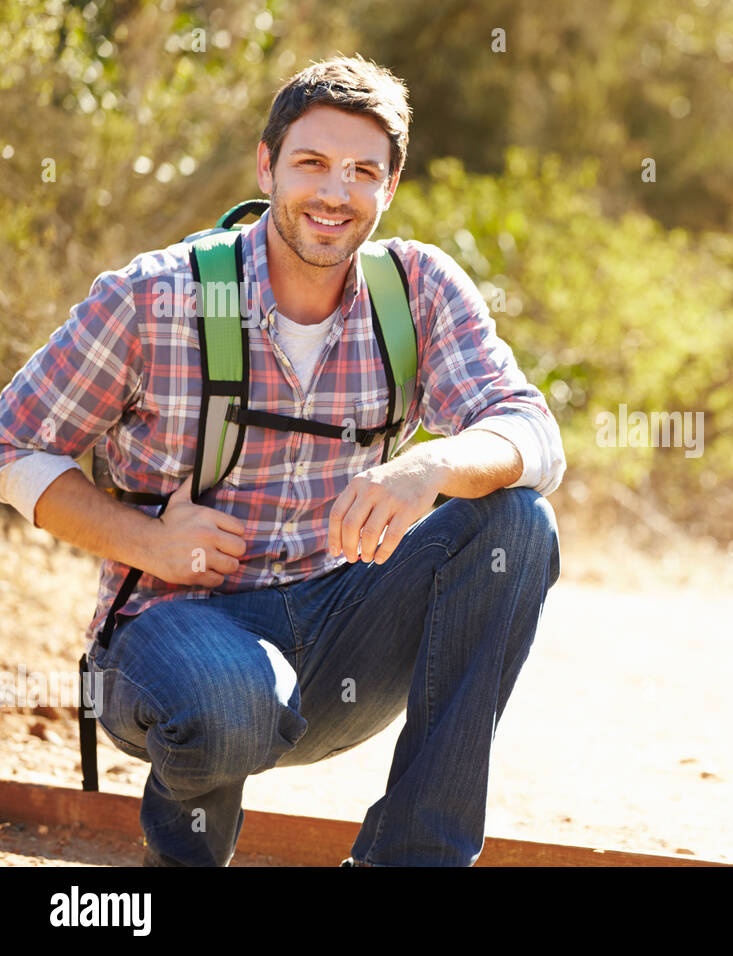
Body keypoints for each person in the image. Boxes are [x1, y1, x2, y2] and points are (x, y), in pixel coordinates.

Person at [0, 55, 565, 866]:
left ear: (390, 187)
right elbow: (10, 441)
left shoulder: (420, 292)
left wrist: (426, 469)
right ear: (267, 165)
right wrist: (144, 540)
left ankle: (411, 859)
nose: (335, 192)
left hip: (341, 636)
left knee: (518, 520)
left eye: (362, 172)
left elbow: (533, 433)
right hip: (174, 637)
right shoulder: (157, 298)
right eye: (311, 163)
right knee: (230, 700)